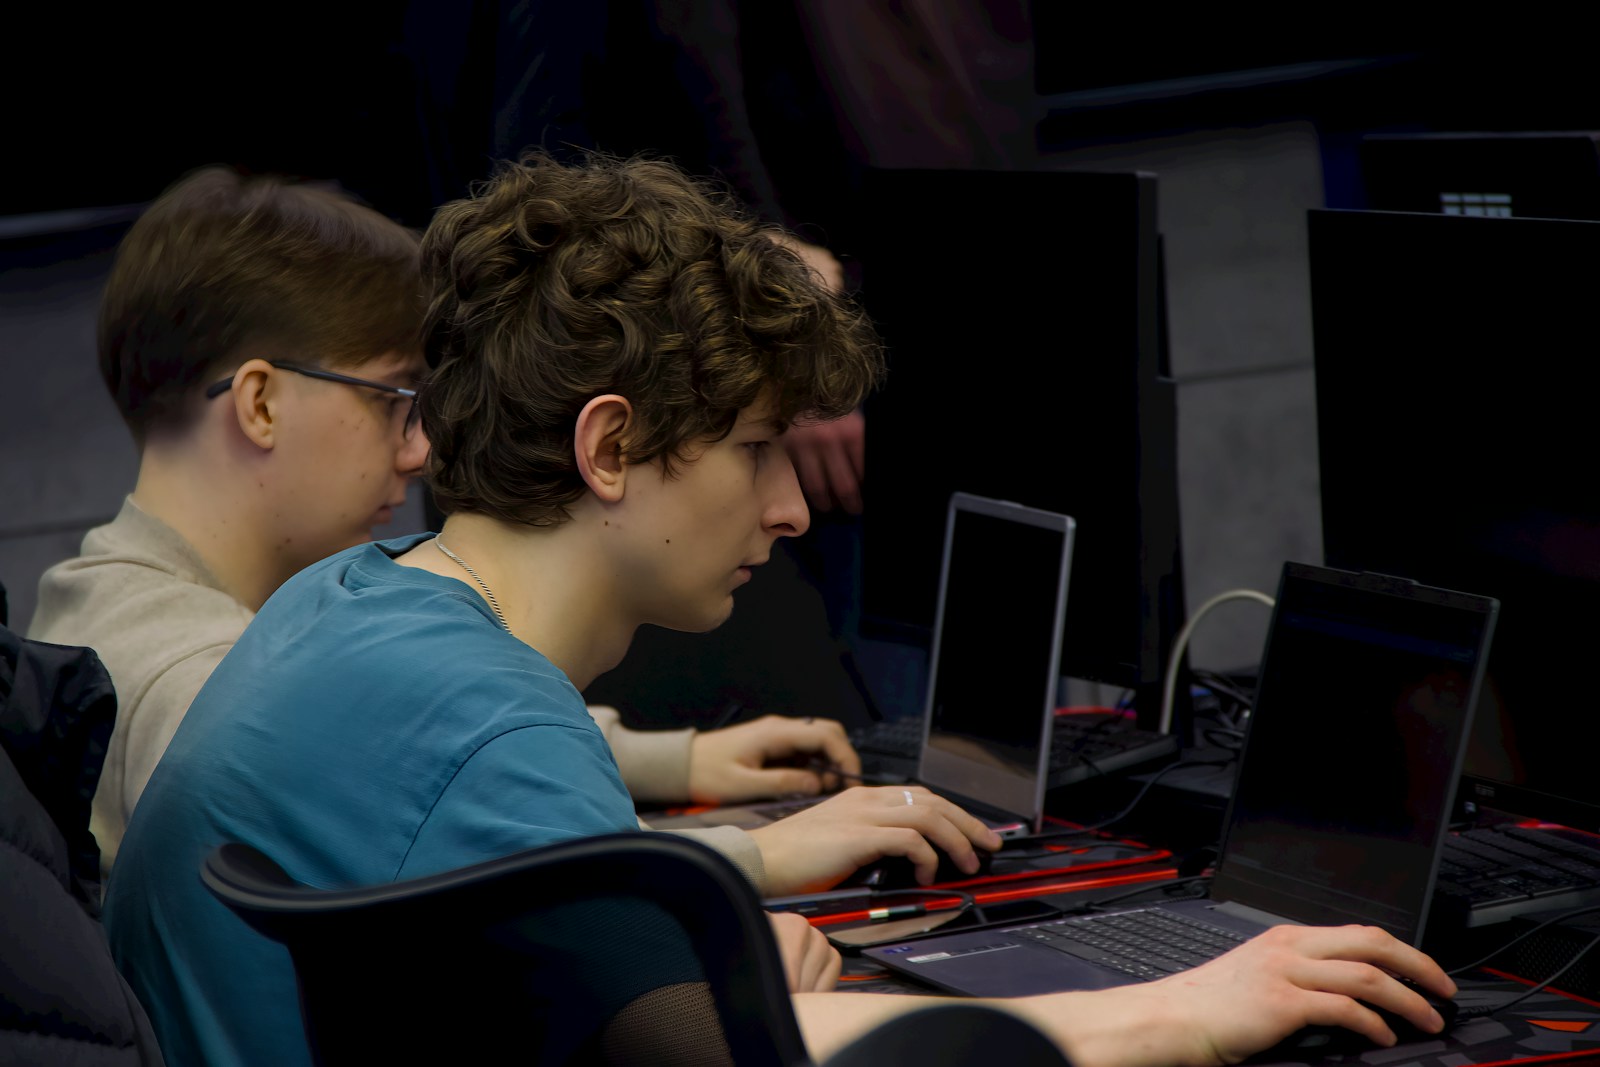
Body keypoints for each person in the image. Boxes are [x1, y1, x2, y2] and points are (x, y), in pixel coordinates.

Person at [103, 152, 1456, 1066]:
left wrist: (718, 957)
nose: (794, 507)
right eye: (756, 448)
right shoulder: (486, 717)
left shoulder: (343, 605)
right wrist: (1189, 1004)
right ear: (611, 446)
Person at [28, 165, 862, 879]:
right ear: (259, 402)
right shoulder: (171, 667)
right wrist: (750, 858)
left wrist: (674, 760)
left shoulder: (212, 614)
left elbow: (416, 748)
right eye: (395, 399)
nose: (420, 448)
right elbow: (421, 788)